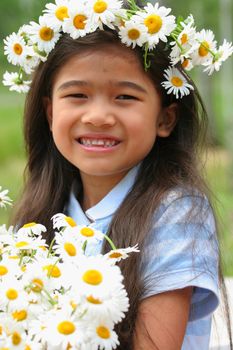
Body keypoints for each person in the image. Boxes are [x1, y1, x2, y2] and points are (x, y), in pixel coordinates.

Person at [3, 0, 232, 349]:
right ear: (50, 113)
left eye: (124, 96)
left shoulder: (177, 213)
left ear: (165, 119)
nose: (97, 116)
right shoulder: (43, 212)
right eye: (77, 94)